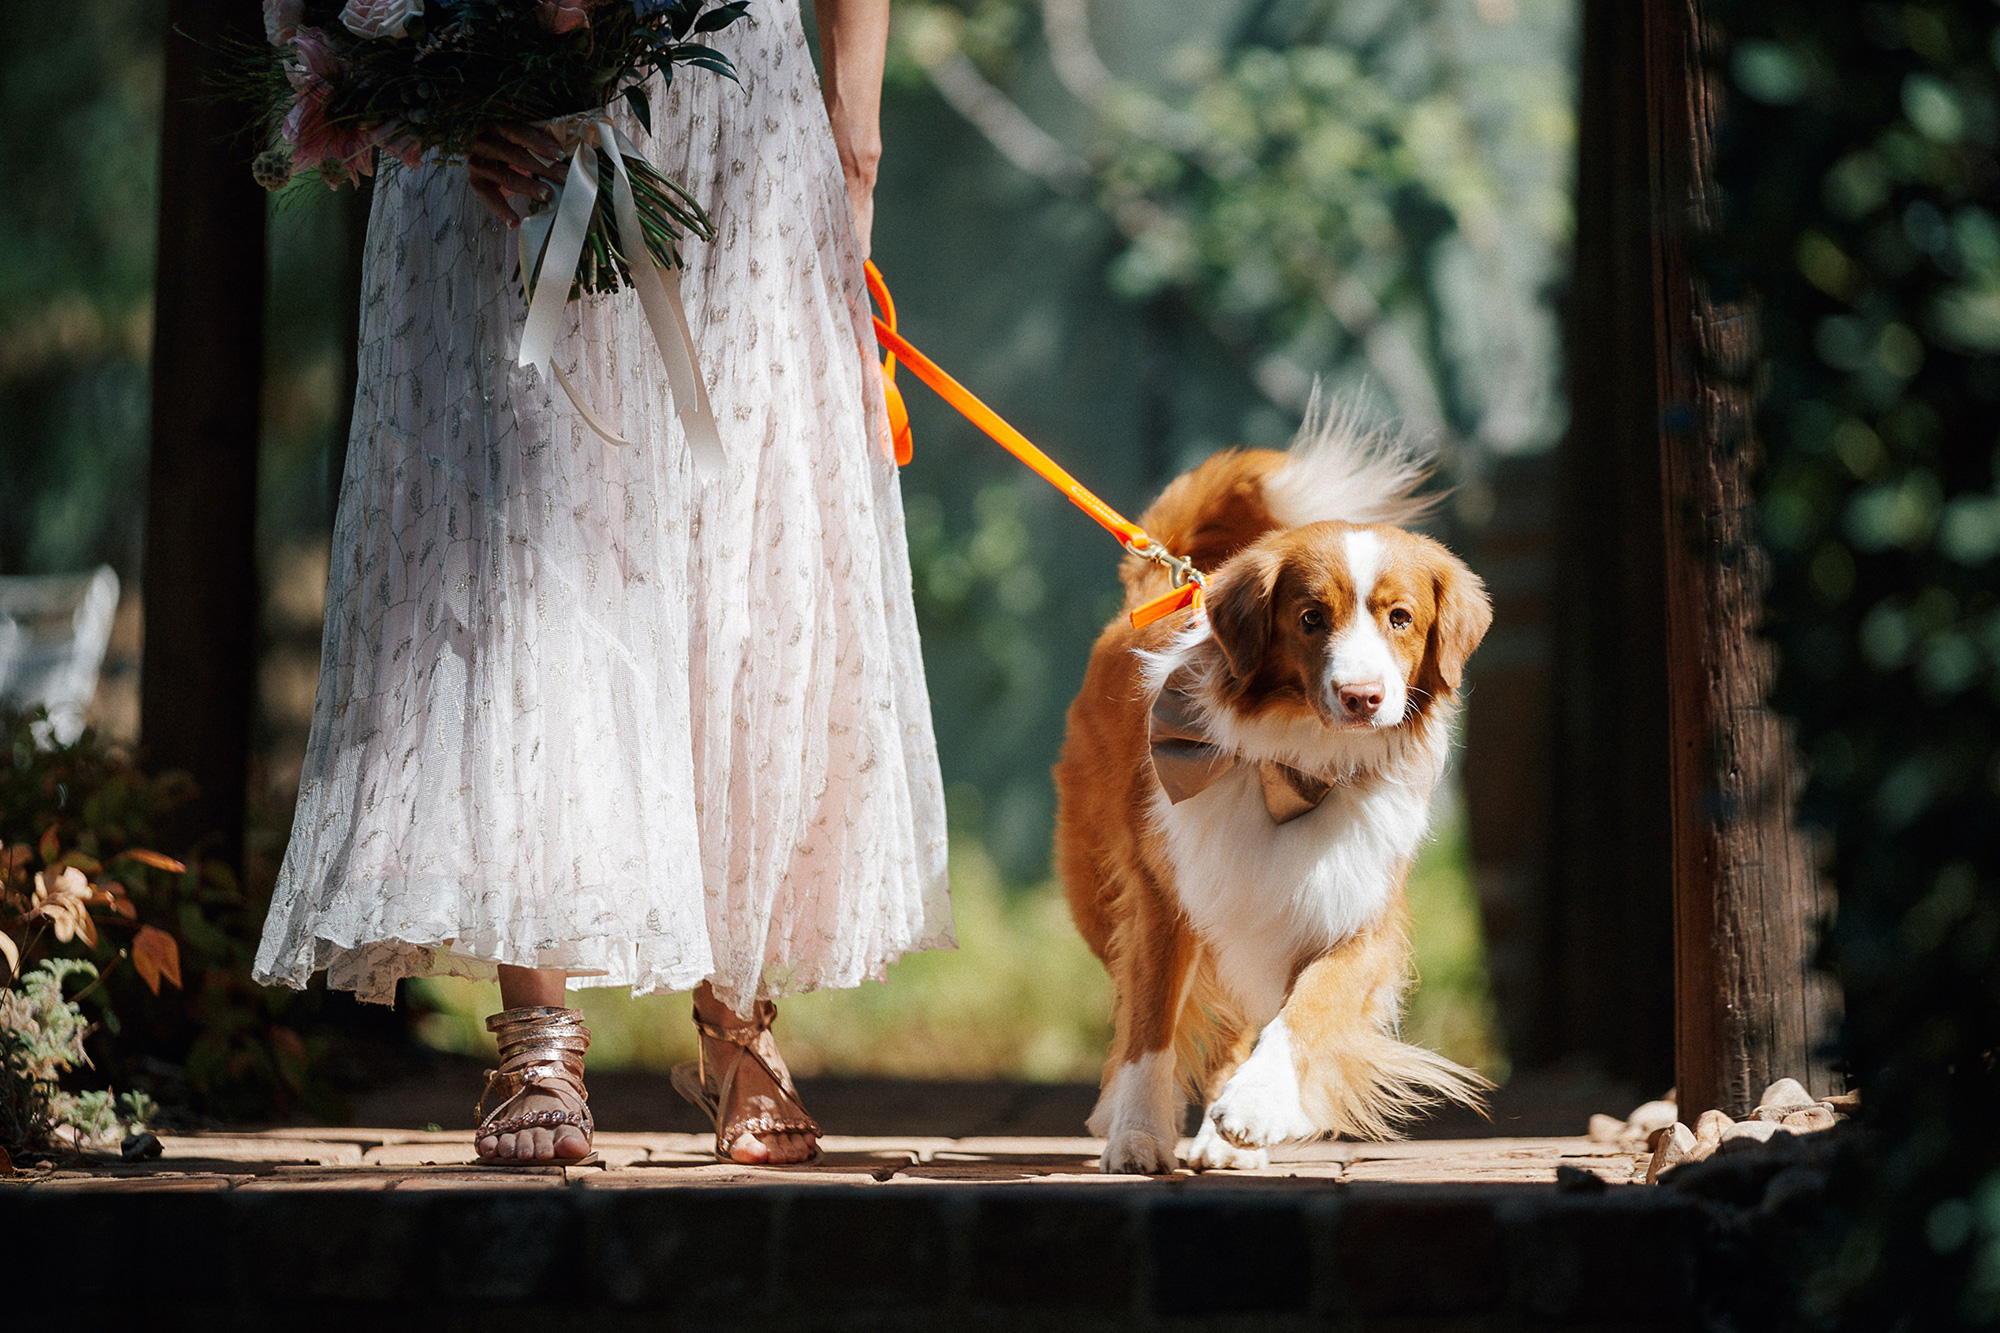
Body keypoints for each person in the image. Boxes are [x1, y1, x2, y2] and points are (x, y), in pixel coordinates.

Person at [253, 0, 952, 1167]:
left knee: (719, 525)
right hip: (525, 123)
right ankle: (572, 1034)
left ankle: (686, 1020)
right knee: (529, 539)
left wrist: (848, 148)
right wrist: (449, 87)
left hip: (733, 115)